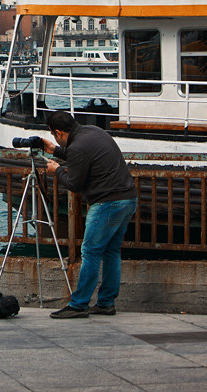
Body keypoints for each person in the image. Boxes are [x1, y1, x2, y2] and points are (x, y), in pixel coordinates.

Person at [42, 110, 137, 319]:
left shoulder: (77, 147)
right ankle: (106, 303)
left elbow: (74, 184)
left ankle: (79, 304)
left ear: (58, 132)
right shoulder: (93, 131)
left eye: (53, 135)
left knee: (91, 251)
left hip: (107, 203)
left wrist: (56, 170)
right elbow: (82, 155)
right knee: (111, 251)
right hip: (128, 198)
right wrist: (56, 150)